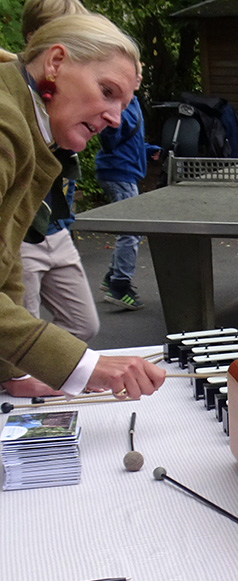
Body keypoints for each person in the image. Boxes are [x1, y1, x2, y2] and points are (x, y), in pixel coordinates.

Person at [2, 14, 165, 399]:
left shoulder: (27, 123)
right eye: (108, 91)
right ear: (56, 63)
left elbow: (4, 266)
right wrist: (83, 365)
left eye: (123, 105)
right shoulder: (5, 126)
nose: (114, 119)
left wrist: (13, 371)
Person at [95, 95, 159, 310]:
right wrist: (111, 127)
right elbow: (109, 139)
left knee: (131, 229)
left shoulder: (133, 101)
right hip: (118, 173)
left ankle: (112, 276)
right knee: (131, 230)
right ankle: (119, 287)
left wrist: (146, 149)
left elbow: (129, 138)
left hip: (124, 171)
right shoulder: (117, 101)